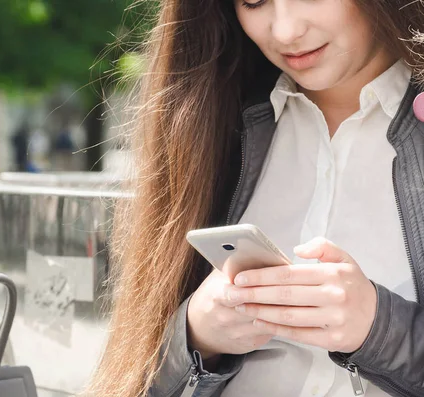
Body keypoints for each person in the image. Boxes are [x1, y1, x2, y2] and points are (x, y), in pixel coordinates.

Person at [88, 1, 424, 397]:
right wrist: (197, 335)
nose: (284, 31)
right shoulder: (211, 126)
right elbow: (129, 373)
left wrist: (379, 329)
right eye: (253, 0)